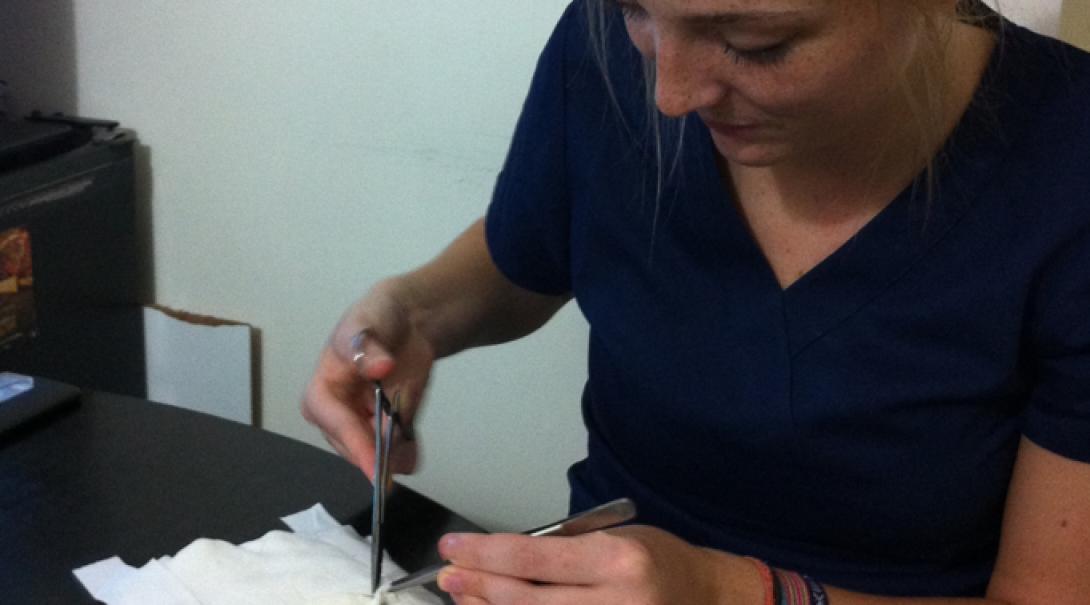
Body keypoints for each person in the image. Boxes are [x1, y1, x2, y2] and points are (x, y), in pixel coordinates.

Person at [303, 0, 1090, 602]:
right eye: (635, 10)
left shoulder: (1065, 170)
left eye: (757, 44)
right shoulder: (605, 50)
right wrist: (415, 309)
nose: (670, 95)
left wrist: (730, 590)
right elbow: (529, 255)